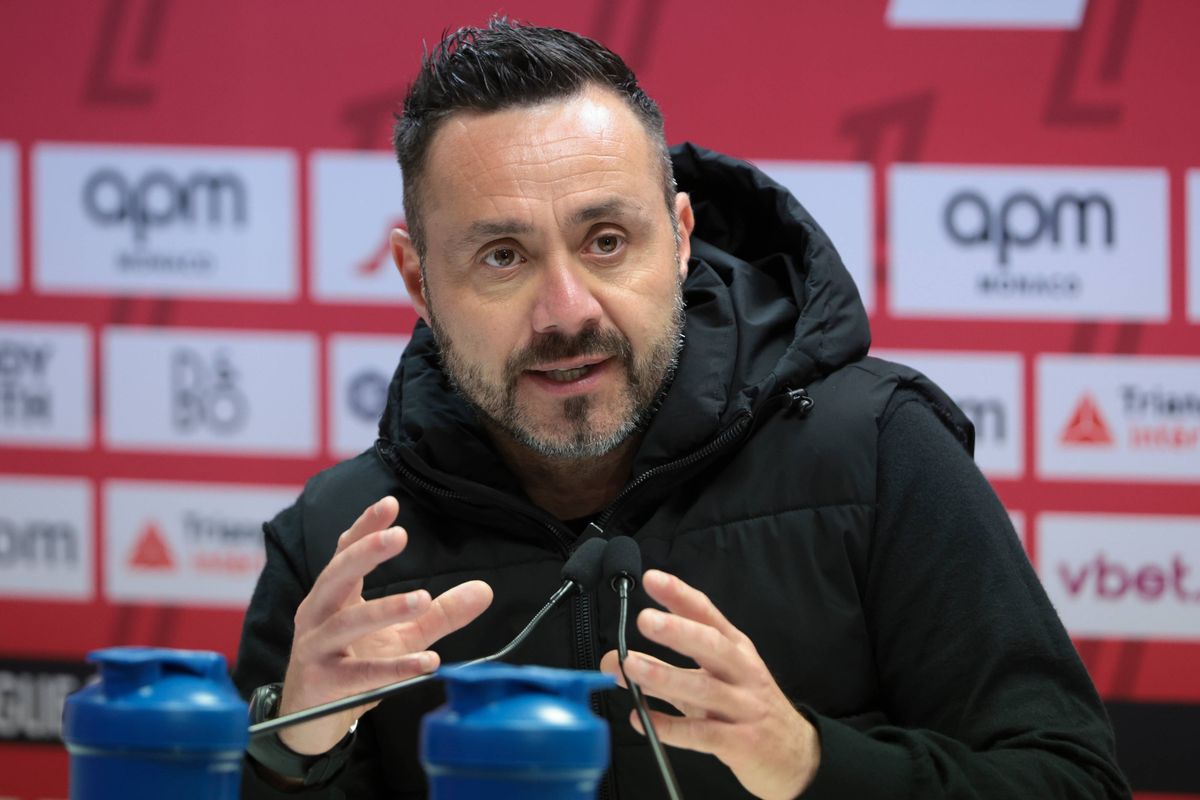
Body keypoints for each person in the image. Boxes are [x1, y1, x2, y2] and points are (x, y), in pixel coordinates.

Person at [233, 18, 1130, 800]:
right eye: (502, 257)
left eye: (608, 241)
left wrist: (812, 765)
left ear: (682, 239)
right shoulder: (338, 549)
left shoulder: (881, 455)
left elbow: (1071, 781)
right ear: (419, 280)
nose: (568, 310)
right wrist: (291, 756)